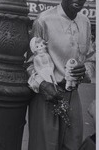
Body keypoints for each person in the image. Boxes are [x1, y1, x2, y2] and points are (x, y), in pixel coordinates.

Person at [26, 0, 95, 150]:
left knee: (73, 144)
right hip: (46, 96)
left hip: (72, 96)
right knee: (44, 146)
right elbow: (30, 64)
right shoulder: (43, 20)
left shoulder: (85, 22)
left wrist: (85, 70)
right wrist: (43, 85)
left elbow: (91, 59)